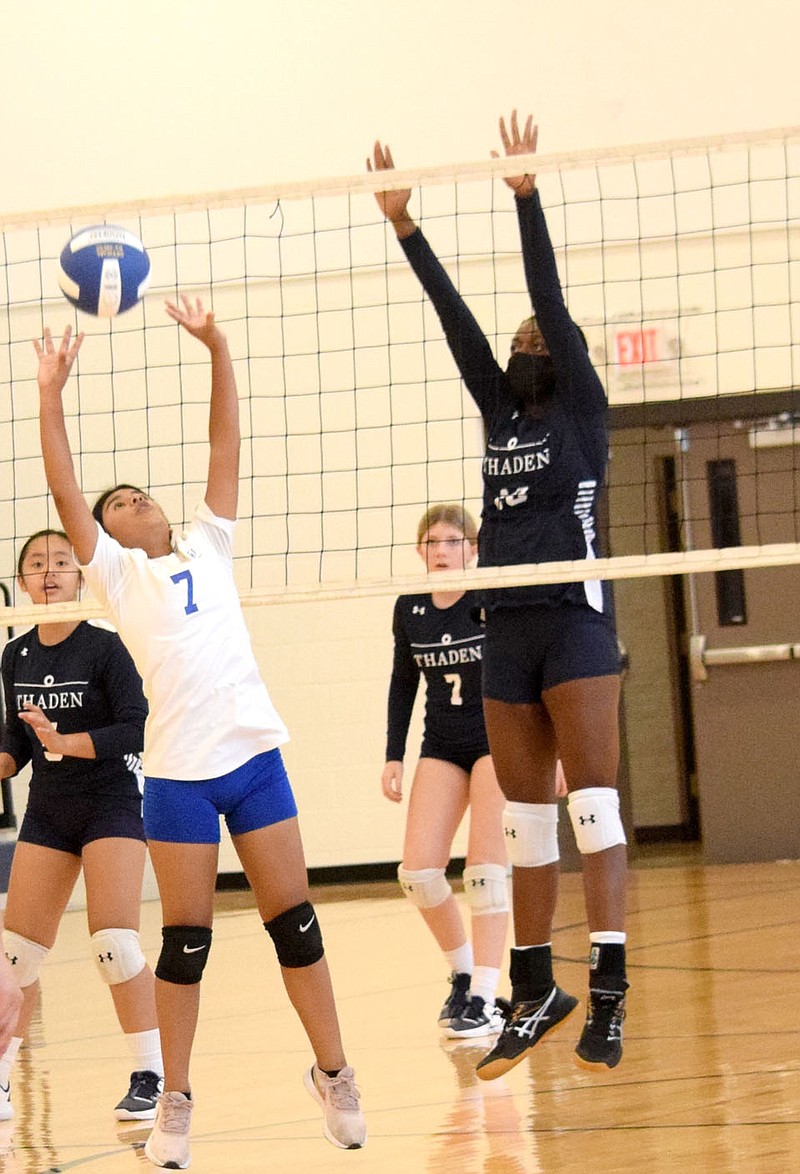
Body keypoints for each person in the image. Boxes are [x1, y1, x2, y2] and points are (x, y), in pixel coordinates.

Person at [32, 297, 366, 1169]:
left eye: (141, 493)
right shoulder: (116, 577)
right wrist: (49, 393)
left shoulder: (210, 543)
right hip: (178, 775)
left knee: (294, 922)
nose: (139, 500)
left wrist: (218, 344)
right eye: (123, 503)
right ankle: (174, 1100)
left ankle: (334, 1073)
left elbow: (226, 445)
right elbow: (66, 488)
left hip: (253, 758)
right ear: (109, 536)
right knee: (186, 942)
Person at [369, 111, 628, 1080]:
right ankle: (532, 989)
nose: (525, 339)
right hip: (504, 628)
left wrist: (524, 199)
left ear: (560, 351)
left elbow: (543, 298)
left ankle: (606, 990)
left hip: (574, 622)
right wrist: (406, 229)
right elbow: (457, 324)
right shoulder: (496, 408)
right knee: (519, 829)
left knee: (591, 809)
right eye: (521, 338)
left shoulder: (582, 411)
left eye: (538, 336)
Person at [0, 529, 163, 1121]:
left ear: (81, 576)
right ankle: (0, 1079)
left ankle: (151, 1074)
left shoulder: (106, 648)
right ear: (22, 582)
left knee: (114, 947)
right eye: (37, 563)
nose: (49, 571)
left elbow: (138, 727)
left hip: (111, 802)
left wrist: (67, 741)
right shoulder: (14, 655)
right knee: (16, 958)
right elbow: (17, 741)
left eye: (62, 562)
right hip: (49, 810)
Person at [382, 503, 509, 1039]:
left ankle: (485, 995)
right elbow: (402, 682)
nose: (441, 551)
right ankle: (461, 973)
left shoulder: (490, 598)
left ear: (472, 549)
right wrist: (393, 754)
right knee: (418, 872)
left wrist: (548, 751)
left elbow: (526, 669)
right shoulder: (410, 607)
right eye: (432, 542)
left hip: (497, 743)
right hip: (443, 744)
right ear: (420, 550)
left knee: (483, 872)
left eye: (452, 542)